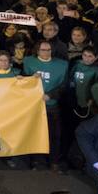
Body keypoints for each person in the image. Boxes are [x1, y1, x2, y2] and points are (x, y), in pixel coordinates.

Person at [23, 39, 69, 171]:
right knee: (34, 133)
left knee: (54, 135)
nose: (46, 52)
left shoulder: (62, 64)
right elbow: (23, 81)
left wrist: (51, 95)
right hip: (34, 105)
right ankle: (36, 161)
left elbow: (64, 85)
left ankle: (53, 161)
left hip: (52, 105)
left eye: (49, 50)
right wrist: (30, 78)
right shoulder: (28, 61)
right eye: (43, 50)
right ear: (37, 50)